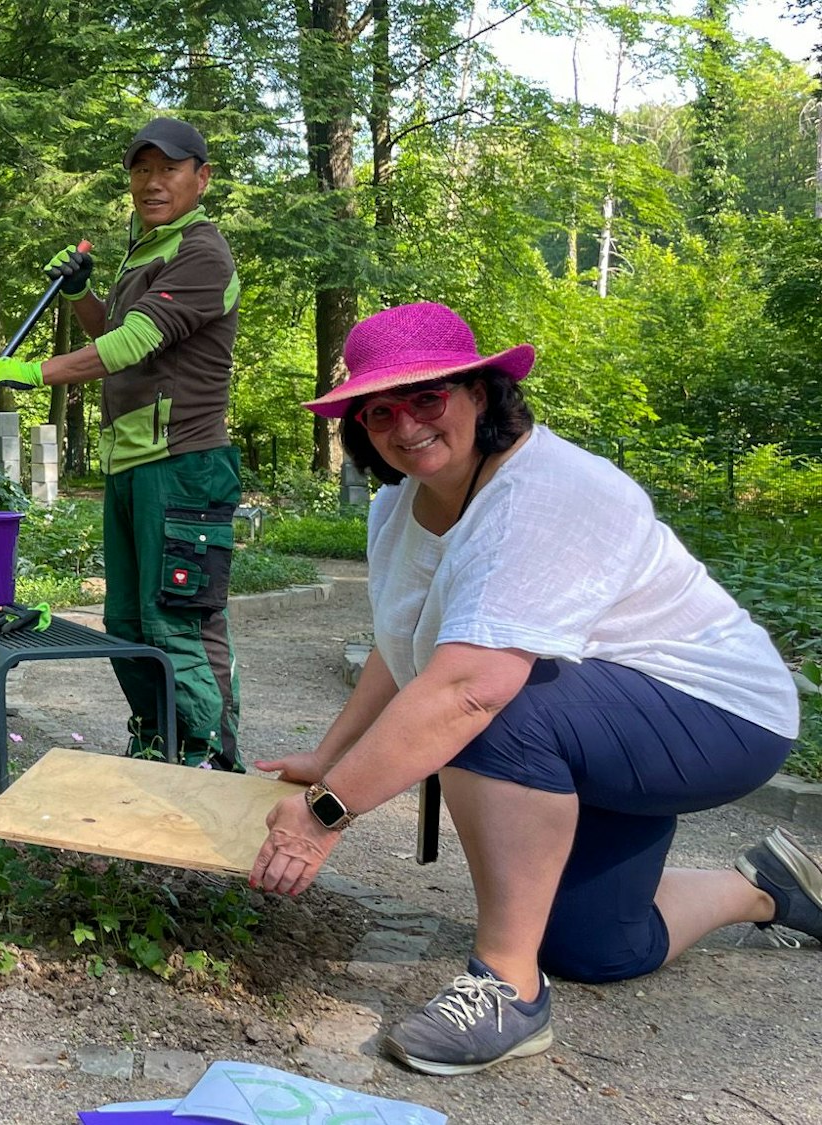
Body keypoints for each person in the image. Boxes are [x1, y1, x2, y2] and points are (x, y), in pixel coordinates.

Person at [247, 302, 810, 1076]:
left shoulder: (545, 492)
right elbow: (403, 643)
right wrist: (328, 755)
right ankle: (766, 887)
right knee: (596, 947)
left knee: (492, 712)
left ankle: (507, 988)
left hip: (717, 713)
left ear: (481, 394)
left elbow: (470, 689)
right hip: (599, 718)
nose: (405, 424)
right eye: (379, 412)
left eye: (427, 397)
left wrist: (325, 812)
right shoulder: (397, 507)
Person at [0, 117, 243, 771]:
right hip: (133, 463)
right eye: (141, 169)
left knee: (177, 619)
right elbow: (117, 329)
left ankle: (209, 753)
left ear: (200, 178)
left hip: (184, 464)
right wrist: (81, 293)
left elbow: (129, 346)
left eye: (169, 169)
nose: (153, 182)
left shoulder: (203, 253)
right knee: (126, 619)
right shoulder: (146, 251)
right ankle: (157, 737)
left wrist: (35, 372)